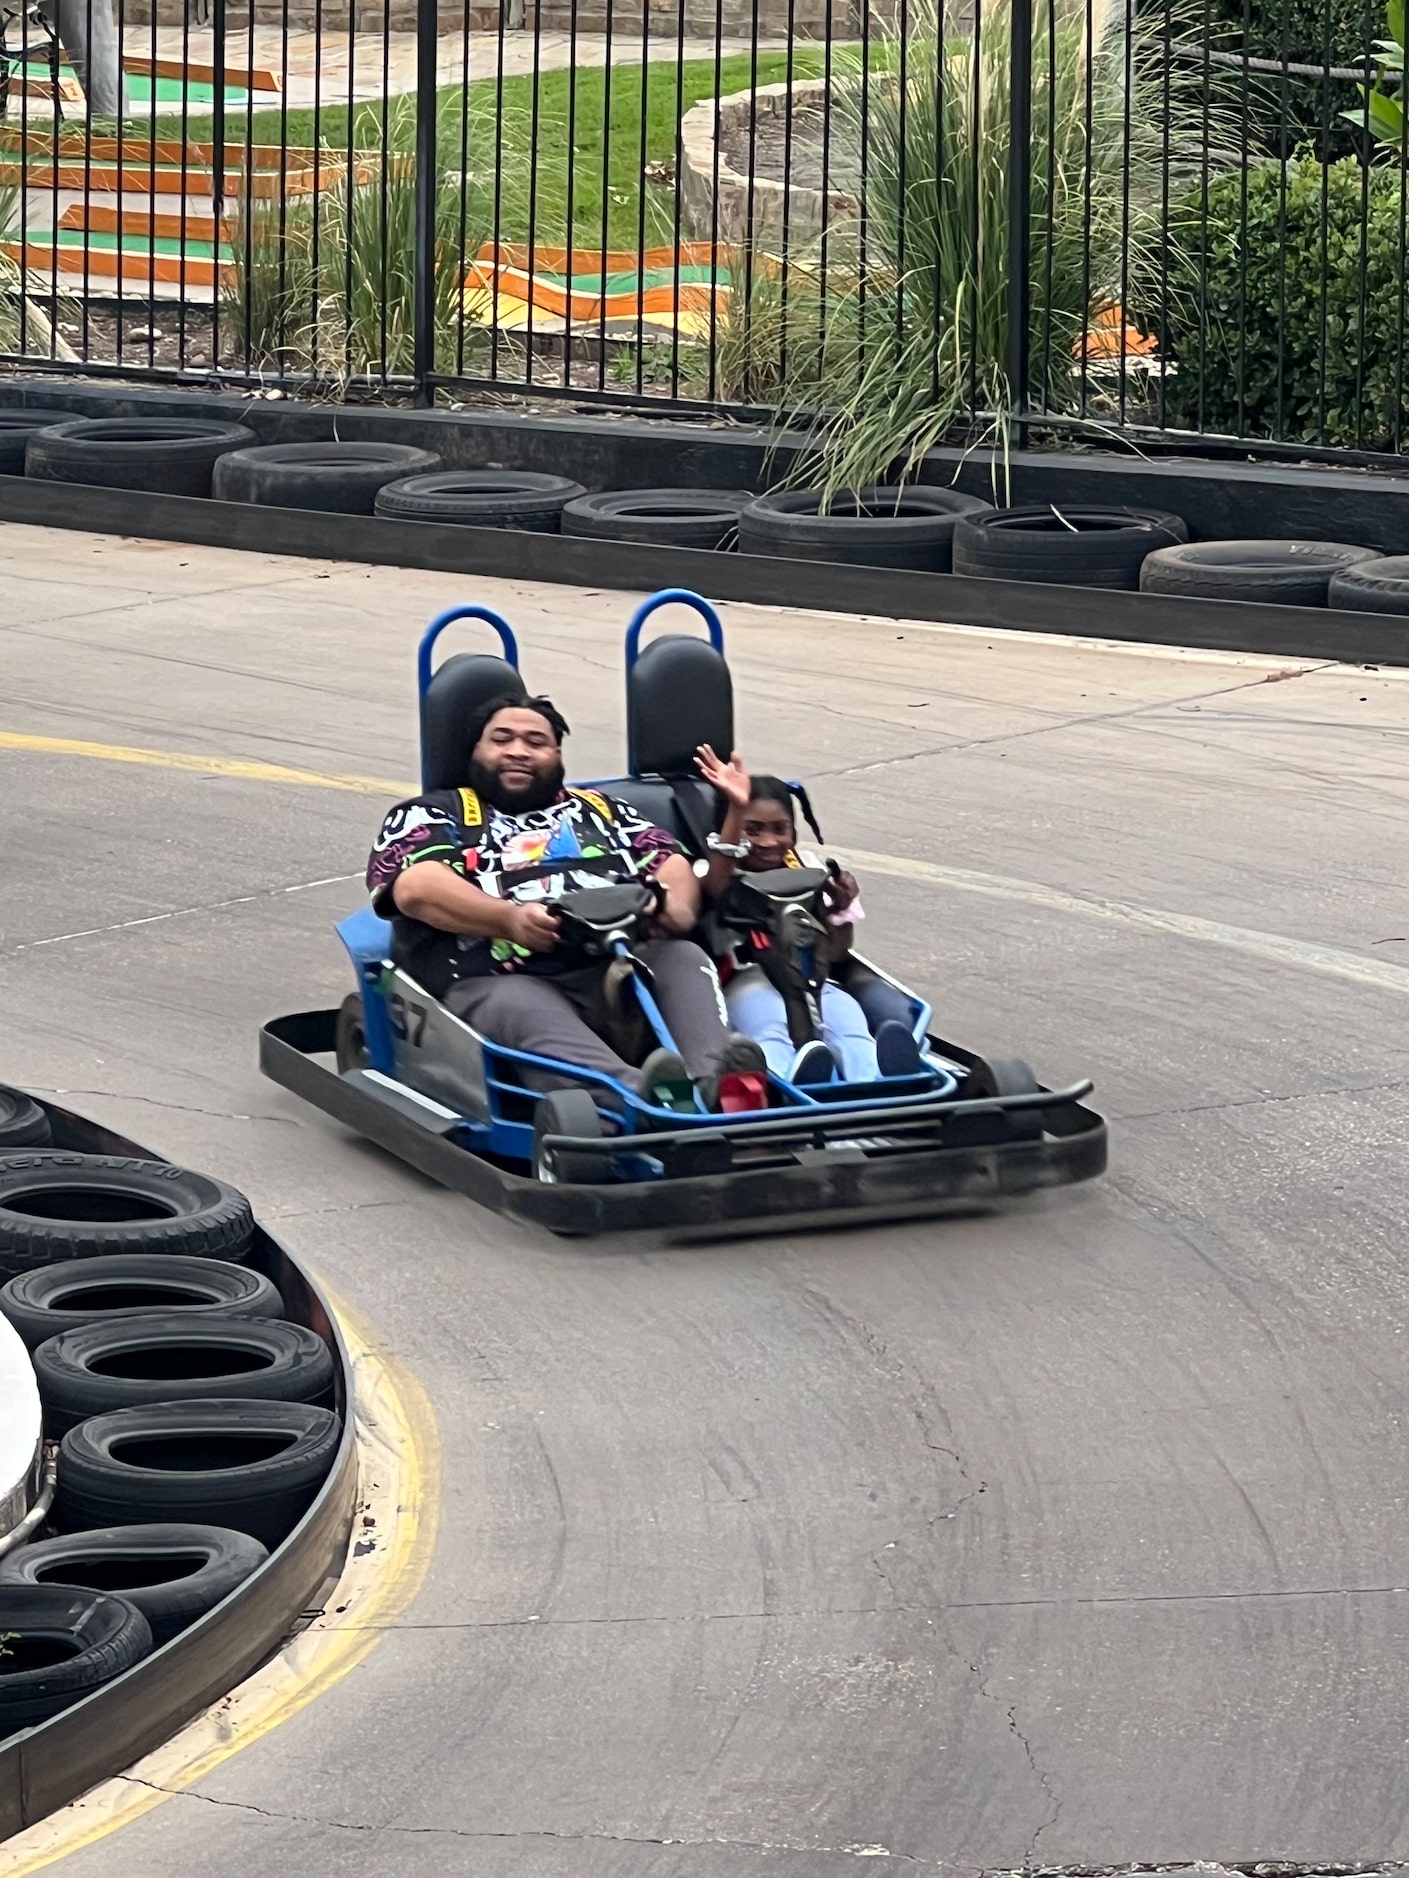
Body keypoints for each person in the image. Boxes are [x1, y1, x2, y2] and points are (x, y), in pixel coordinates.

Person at [367, 694, 767, 1111]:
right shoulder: (434, 814)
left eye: (535, 742)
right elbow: (416, 887)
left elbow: (669, 861)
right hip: (505, 974)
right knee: (516, 1002)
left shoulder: (602, 810)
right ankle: (640, 1099)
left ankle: (716, 1085)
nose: (518, 751)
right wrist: (508, 919)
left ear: (557, 755)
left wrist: (673, 908)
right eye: (501, 739)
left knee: (683, 956)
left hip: (615, 960)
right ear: (476, 751)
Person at [694, 746, 925, 1084]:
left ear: (794, 832)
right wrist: (736, 808)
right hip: (747, 980)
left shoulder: (809, 870)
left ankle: (874, 1078)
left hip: (811, 980)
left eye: (779, 829)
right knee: (770, 1024)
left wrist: (840, 908)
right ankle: (794, 1080)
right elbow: (716, 887)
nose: (768, 841)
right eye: (752, 829)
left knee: (847, 1020)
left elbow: (836, 953)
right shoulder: (712, 872)